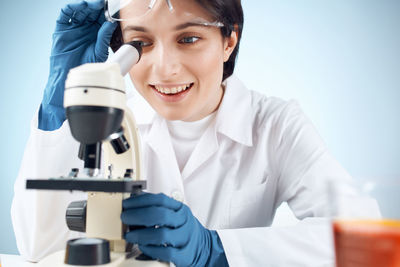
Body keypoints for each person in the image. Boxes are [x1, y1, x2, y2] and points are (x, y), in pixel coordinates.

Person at [11, 0, 379, 266]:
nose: (164, 68)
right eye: (140, 44)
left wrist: (216, 250)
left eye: (188, 39)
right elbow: (37, 246)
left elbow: (367, 244)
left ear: (229, 40)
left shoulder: (274, 124)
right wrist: (56, 109)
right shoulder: (114, 118)